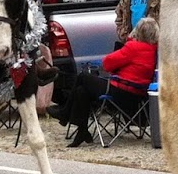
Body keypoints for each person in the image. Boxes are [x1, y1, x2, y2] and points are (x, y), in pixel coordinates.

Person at [58, 18, 159, 148]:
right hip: (137, 95)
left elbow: (107, 63)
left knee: (83, 77)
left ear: (138, 32)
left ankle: (64, 114)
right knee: (81, 91)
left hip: (120, 92)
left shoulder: (133, 47)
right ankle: (82, 131)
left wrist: (129, 42)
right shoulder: (153, 50)